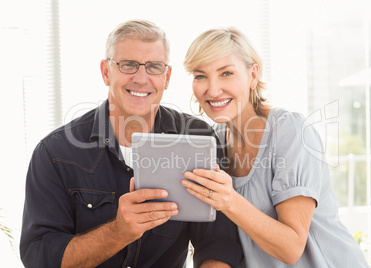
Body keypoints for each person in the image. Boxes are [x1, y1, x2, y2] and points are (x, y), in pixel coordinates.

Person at [20, 20, 243, 268]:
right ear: (106, 72)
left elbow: (218, 245)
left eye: (154, 67)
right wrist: (117, 233)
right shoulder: (55, 152)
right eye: (128, 65)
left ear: (167, 77)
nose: (141, 78)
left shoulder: (199, 139)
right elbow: (39, 258)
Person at [182, 27, 368, 267]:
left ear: (253, 75)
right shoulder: (214, 142)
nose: (213, 89)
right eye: (200, 76)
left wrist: (229, 201)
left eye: (226, 73)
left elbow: (291, 248)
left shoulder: (290, 131)